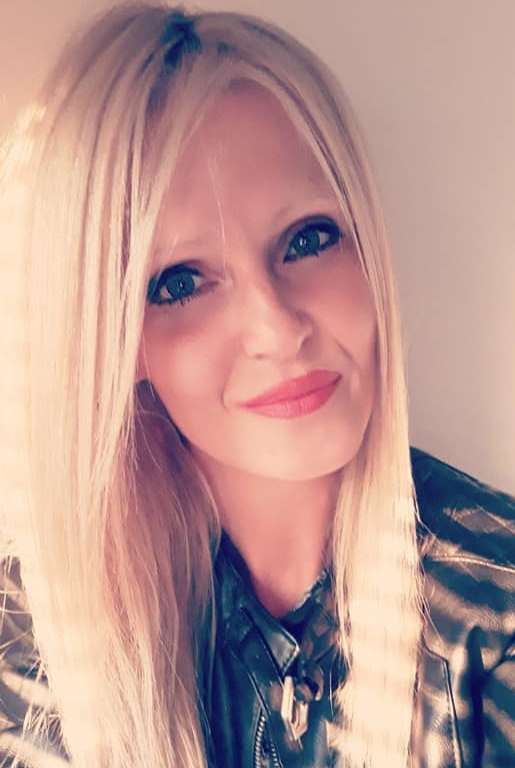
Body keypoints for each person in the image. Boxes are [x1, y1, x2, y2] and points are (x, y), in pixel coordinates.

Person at [0, 3, 513, 767]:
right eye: (180, 282)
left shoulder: (493, 623)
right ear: (117, 339)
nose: (275, 328)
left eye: (307, 238)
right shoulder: (38, 633)